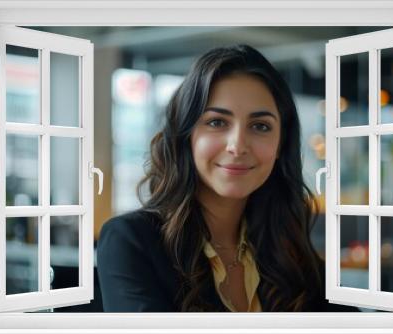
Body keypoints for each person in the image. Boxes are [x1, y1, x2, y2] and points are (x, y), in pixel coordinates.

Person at [97, 44, 358, 312]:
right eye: (217, 122)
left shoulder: (289, 251)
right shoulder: (131, 241)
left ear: (280, 144)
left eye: (260, 126)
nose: (237, 145)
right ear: (187, 136)